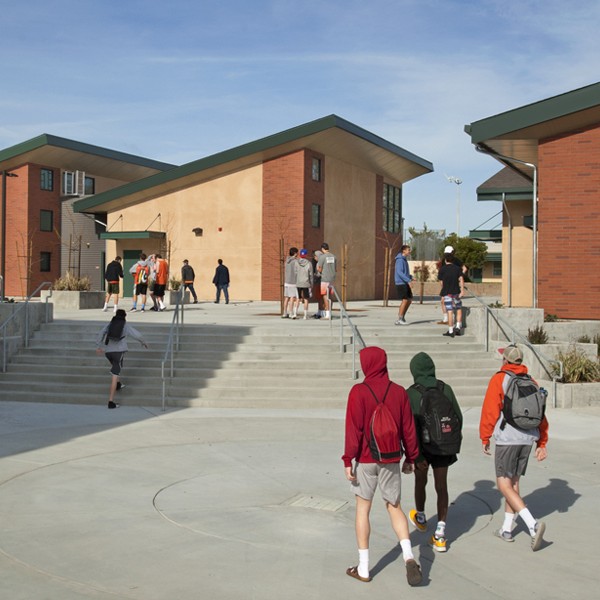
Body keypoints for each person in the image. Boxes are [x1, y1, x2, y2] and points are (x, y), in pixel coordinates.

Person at [342, 346, 422, 587]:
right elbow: (409, 429)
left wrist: (348, 460)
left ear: (366, 365)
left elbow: (353, 430)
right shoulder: (398, 392)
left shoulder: (358, 391)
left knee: (362, 509)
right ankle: (409, 556)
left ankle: (364, 567)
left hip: (366, 460)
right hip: (390, 458)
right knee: (394, 506)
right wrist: (411, 458)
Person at [480, 344, 549, 551]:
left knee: (503, 484)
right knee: (514, 482)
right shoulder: (531, 381)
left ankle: (533, 525)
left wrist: (485, 436)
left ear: (505, 360)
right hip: (527, 438)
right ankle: (507, 529)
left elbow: (490, 410)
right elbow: (541, 414)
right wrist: (542, 441)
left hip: (507, 439)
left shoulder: (500, 379)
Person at [406, 352, 463, 553]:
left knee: (420, 481)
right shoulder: (445, 388)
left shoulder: (411, 393)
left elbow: (407, 427)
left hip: (421, 449)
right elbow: (458, 417)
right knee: (442, 486)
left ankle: (420, 517)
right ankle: (440, 533)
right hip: (443, 447)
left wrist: (413, 454)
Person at [95, 309, 148, 409]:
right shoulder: (125, 325)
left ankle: (118, 384)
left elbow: (101, 333)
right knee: (115, 374)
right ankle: (111, 402)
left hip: (108, 352)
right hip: (118, 352)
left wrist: (99, 346)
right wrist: (143, 342)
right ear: (125, 316)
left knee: (115, 366)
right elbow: (137, 334)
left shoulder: (110, 324)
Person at [438, 251, 464, 337]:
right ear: (453, 260)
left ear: (445, 260)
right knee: (459, 309)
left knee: (450, 311)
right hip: (456, 292)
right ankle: (458, 327)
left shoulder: (442, 269)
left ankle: (450, 330)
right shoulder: (457, 268)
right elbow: (461, 279)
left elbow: (441, 282)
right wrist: (462, 290)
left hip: (447, 293)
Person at [394, 245, 413, 325]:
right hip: (401, 283)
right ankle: (400, 319)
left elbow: (404, 272)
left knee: (409, 299)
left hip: (405, 282)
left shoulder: (404, 260)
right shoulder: (400, 260)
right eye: (408, 250)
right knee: (405, 300)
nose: (410, 251)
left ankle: (402, 317)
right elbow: (399, 272)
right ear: (403, 251)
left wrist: (410, 277)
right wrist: (408, 280)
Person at [317, 242, 336, 320]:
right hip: (332, 279)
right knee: (330, 296)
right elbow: (335, 268)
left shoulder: (322, 257)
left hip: (325, 278)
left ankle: (327, 314)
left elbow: (319, 268)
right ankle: (330, 313)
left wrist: (320, 272)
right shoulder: (334, 256)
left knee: (325, 295)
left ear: (322, 249)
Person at [295, 249, 313, 320]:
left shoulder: (296, 263)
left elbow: (295, 273)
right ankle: (305, 315)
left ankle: (295, 313)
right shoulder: (309, 263)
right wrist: (311, 284)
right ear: (306, 255)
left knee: (298, 298)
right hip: (306, 283)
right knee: (306, 299)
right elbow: (311, 274)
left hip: (298, 282)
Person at [282, 247, 299, 319]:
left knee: (286, 297)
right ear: (295, 253)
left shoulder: (286, 261)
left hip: (286, 281)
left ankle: (284, 313)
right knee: (292, 297)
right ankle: (291, 313)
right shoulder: (295, 261)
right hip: (293, 281)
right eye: (297, 253)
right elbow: (296, 271)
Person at [311, 249, 323, 318]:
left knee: (320, 298)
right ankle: (319, 311)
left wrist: (315, 275)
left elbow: (319, 272)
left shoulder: (319, 263)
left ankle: (321, 312)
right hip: (319, 281)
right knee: (319, 298)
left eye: (315, 256)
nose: (314, 257)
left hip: (320, 281)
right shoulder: (319, 262)